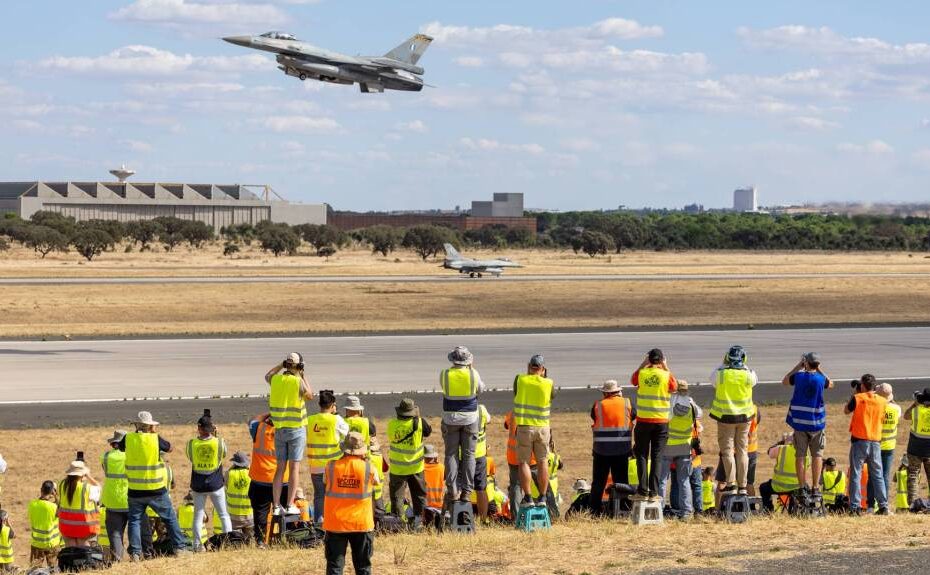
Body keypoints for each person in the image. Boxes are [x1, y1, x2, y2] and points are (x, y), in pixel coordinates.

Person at [120, 411, 188, 559]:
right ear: (150, 426)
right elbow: (170, 448)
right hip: (155, 489)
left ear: (136, 425)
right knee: (170, 518)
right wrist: (153, 433)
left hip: (135, 490)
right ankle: (180, 548)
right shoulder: (155, 439)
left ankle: (136, 553)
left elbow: (120, 447)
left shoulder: (128, 438)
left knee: (134, 522)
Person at [323, 432, 379, 575]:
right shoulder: (369, 468)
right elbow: (377, 482)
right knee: (363, 568)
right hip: (361, 524)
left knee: (335, 567)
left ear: (344, 449)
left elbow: (325, 482)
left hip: (336, 524)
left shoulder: (330, 467)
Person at [265, 352, 313, 515]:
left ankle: (277, 506)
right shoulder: (297, 381)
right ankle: (290, 504)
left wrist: (280, 365)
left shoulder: (276, 380)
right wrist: (302, 374)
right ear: (299, 366)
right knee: (294, 468)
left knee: (280, 468)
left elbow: (268, 375)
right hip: (296, 429)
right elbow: (310, 395)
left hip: (279, 429)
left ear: (286, 364)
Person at [440, 346, 486, 506]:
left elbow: (445, 389)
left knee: (451, 455)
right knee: (469, 455)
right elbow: (480, 389)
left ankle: (453, 490)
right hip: (470, 419)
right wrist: (471, 370)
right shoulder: (473, 374)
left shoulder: (445, 374)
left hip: (450, 419)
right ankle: (467, 491)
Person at [783, 352, 833, 495]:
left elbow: (785, 381)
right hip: (816, 423)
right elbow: (831, 383)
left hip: (799, 423)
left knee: (800, 455)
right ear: (817, 365)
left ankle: (801, 486)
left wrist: (798, 366)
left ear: (806, 363)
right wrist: (819, 369)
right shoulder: (820, 379)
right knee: (817, 455)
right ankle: (815, 487)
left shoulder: (798, 377)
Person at [710, 346, 757, 496]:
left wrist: (724, 364)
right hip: (744, 418)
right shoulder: (749, 374)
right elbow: (754, 380)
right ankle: (743, 485)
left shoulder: (721, 374)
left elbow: (712, 379)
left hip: (726, 418)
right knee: (742, 450)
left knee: (727, 451)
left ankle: (731, 484)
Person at [631, 348, 677, 501]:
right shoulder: (666, 375)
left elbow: (633, 380)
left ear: (649, 360)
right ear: (662, 360)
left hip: (643, 420)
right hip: (661, 421)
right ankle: (654, 492)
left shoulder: (643, 373)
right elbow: (674, 387)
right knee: (657, 456)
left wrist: (643, 364)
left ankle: (643, 490)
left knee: (642, 455)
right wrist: (666, 367)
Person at [185, 410, 230, 549]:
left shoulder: (191, 444)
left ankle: (198, 546)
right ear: (211, 429)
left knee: (198, 515)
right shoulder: (219, 442)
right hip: (216, 484)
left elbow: (190, 458)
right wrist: (216, 436)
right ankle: (229, 542)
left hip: (198, 485)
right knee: (223, 515)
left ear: (198, 428)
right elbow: (223, 454)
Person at [588, 380, 634, 515]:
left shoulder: (597, 405)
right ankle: (623, 509)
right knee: (622, 481)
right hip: (622, 450)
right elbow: (634, 415)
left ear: (604, 393)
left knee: (598, 482)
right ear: (618, 391)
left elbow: (594, 417)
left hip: (601, 450)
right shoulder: (627, 403)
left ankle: (594, 511)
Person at [514, 354, 555, 508]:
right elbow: (551, 397)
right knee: (542, 461)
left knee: (523, 462)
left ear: (529, 366)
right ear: (543, 369)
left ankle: (529, 497)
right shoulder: (548, 383)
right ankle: (543, 497)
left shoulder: (520, 379)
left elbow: (516, 393)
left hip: (525, 426)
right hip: (543, 428)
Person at [845, 374, 889, 514]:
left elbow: (846, 410)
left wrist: (855, 393)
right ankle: (883, 506)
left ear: (862, 386)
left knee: (856, 474)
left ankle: (855, 507)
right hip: (875, 441)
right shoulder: (883, 401)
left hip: (860, 441)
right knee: (877, 474)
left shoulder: (858, 398)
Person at [658, 381, 700, 518]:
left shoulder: (668, 404)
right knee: (684, 481)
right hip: (684, 446)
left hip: (668, 445)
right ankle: (687, 512)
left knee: (662, 480)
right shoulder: (692, 405)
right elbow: (699, 415)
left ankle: (659, 510)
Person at [306, 390, 349, 523]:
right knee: (335, 495)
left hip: (315, 467)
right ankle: (334, 521)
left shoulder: (310, 420)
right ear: (333, 405)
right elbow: (348, 434)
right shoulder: (336, 419)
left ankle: (319, 523)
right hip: (333, 466)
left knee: (319, 496)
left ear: (319, 404)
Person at [387, 398, 432, 523]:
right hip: (416, 467)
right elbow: (428, 432)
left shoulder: (392, 424)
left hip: (398, 469)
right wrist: (418, 417)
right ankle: (420, 521)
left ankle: (398, 522)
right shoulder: (419, 423)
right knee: (419, 496)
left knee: (397, 497)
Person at [246, 413, 288, 544]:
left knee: (260, 514)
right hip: (282, 480)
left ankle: (260, 541)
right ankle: (283, 538)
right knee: (283, 512)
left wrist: (270, 412)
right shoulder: (286, 431)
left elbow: (252, 419)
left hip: (260, 479)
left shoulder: (258, 428)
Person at [868, 383, 901, 510]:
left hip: (876, 444)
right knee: (885, 476)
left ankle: (871, 504)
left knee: (872, 475)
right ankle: (884, 504)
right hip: (889, 445)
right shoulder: (896, 408)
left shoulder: (876, 407)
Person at [759, 433, 810, 512]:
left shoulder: (782, 449)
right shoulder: (805, 454)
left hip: (778, 486)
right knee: (807, 488)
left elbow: (769, 452)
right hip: (796, 487)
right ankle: (802, 509)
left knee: (763, 488)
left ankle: (768, 510)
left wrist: (782, 442)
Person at [100, 430, 130, 562]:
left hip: (112, 501)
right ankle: (137, 557)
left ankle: (118, 562)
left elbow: (105, 471)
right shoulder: (131, 456)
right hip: (131, 499)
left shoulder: (105, 457)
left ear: (112, 444)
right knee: (136, 531)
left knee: (115, 535)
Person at [57, 459, 100, 547]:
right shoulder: (87, 488)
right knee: (83, 548)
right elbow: (98, 488)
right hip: (83, 525)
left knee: (71, 547)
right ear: (82, 474)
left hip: (66, 524)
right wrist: (88, 476)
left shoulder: (61, 485)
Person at [504, 409, 538, 518]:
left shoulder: (513, 413)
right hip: (532, 457)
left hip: (514, 457)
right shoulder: (535, 412)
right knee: (540, 484)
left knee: (516, 486)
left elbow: (506, 425)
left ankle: (516, 516)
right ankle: (550, 512)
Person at [903, 387, 930, 507]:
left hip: (915, 449)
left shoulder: (916, 410)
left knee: (913, 476)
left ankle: (912, 504)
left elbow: (906, 416)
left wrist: (915, 402)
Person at [28, 480, 60, 569]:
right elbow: (61, 511)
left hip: (37, 543)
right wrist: (56, 496)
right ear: (52, 492)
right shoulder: (53, 507)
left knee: (35, 570)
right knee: (53, 569)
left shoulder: (32, 504)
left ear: (41, 489)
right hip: (52, 544)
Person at [472, 404, 493, 521]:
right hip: (480, 454)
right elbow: (489, 420)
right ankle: (483, 519)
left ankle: (459, 517)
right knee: (481, 489)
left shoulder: (461, 409)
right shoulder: (481, 409)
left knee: (461, 487)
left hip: (464, 455)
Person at [225, 451, 253, 537]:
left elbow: (225, 484)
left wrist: (232, 467)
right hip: (249, 515)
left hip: (233, 516)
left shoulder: (229, 474)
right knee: (250, 538)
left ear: (234, 463)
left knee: (233, 538)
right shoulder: (251, 473)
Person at [422, 445, 445, 510]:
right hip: (439, 506)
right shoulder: (441, 468)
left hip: (424, 505)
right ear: (434, 456)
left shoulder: (421, 469)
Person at [368, 438, 386, 518]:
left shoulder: (368, 458)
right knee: (380, 511)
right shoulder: (380, 456)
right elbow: (385, 469)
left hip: (369, 489)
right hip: (379, 488)